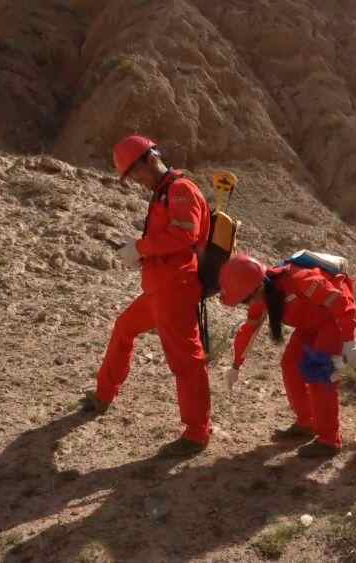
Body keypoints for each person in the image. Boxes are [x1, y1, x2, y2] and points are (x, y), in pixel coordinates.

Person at [82, 134, 212, 458]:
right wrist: (141, 254)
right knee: (124, 328)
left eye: (135, 172)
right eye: (130, 176)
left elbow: (184, 235)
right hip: (159, 287)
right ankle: (103, 395)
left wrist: (140, 248)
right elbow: (167, 240)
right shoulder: (163, 192)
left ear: (151, 158)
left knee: (186, 361)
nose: (136, 181)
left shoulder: (180, 190)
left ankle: (197, 434)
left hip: (175, 289)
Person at [218, 254, 356, 458]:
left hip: (332, 322)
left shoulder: (301, 279)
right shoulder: (263, 295)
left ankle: (329, 440)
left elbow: (341, 302)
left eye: (246, 300)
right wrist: (236, 365)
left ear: (258, 286)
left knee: (319, 374)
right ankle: (306, 422)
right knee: (290, 364)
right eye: (243, 302)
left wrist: (349, 341)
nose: (247, 304)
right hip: (309, 324)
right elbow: (249, 331)